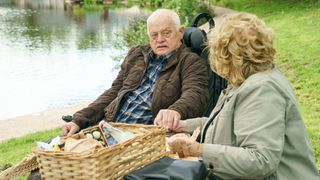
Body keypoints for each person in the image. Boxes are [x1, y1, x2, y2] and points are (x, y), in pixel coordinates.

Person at [166, 13, 320, 179]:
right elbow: (224, 124)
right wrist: (183, 126)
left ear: (228, 56)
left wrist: (197, 150)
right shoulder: (247, 78)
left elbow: (260, 161)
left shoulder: (262, 89)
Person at [61, 9, 209, 136]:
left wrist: (175, 111)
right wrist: (78, 119)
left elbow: (196, 94)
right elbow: (114, 91)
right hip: (111, 128)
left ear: (180, 32)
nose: (160, 39)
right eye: (154, 35)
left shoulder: (191, 62)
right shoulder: (137, 54)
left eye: (166, 33)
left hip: (146, 136)